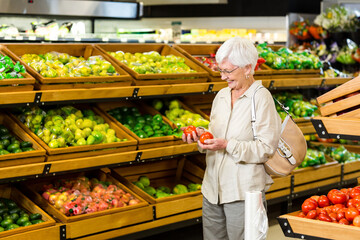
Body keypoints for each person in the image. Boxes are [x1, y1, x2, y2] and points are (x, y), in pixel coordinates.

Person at [182, 37, 282, 240]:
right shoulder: (221, 96)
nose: (222, 77)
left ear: (247, 68)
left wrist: (228, 145)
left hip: (242, 192)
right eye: (220, 70)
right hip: (212, 189)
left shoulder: (261, 98)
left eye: (228, 71)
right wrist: (202, 137)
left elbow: (265, 148)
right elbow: (215, 134)